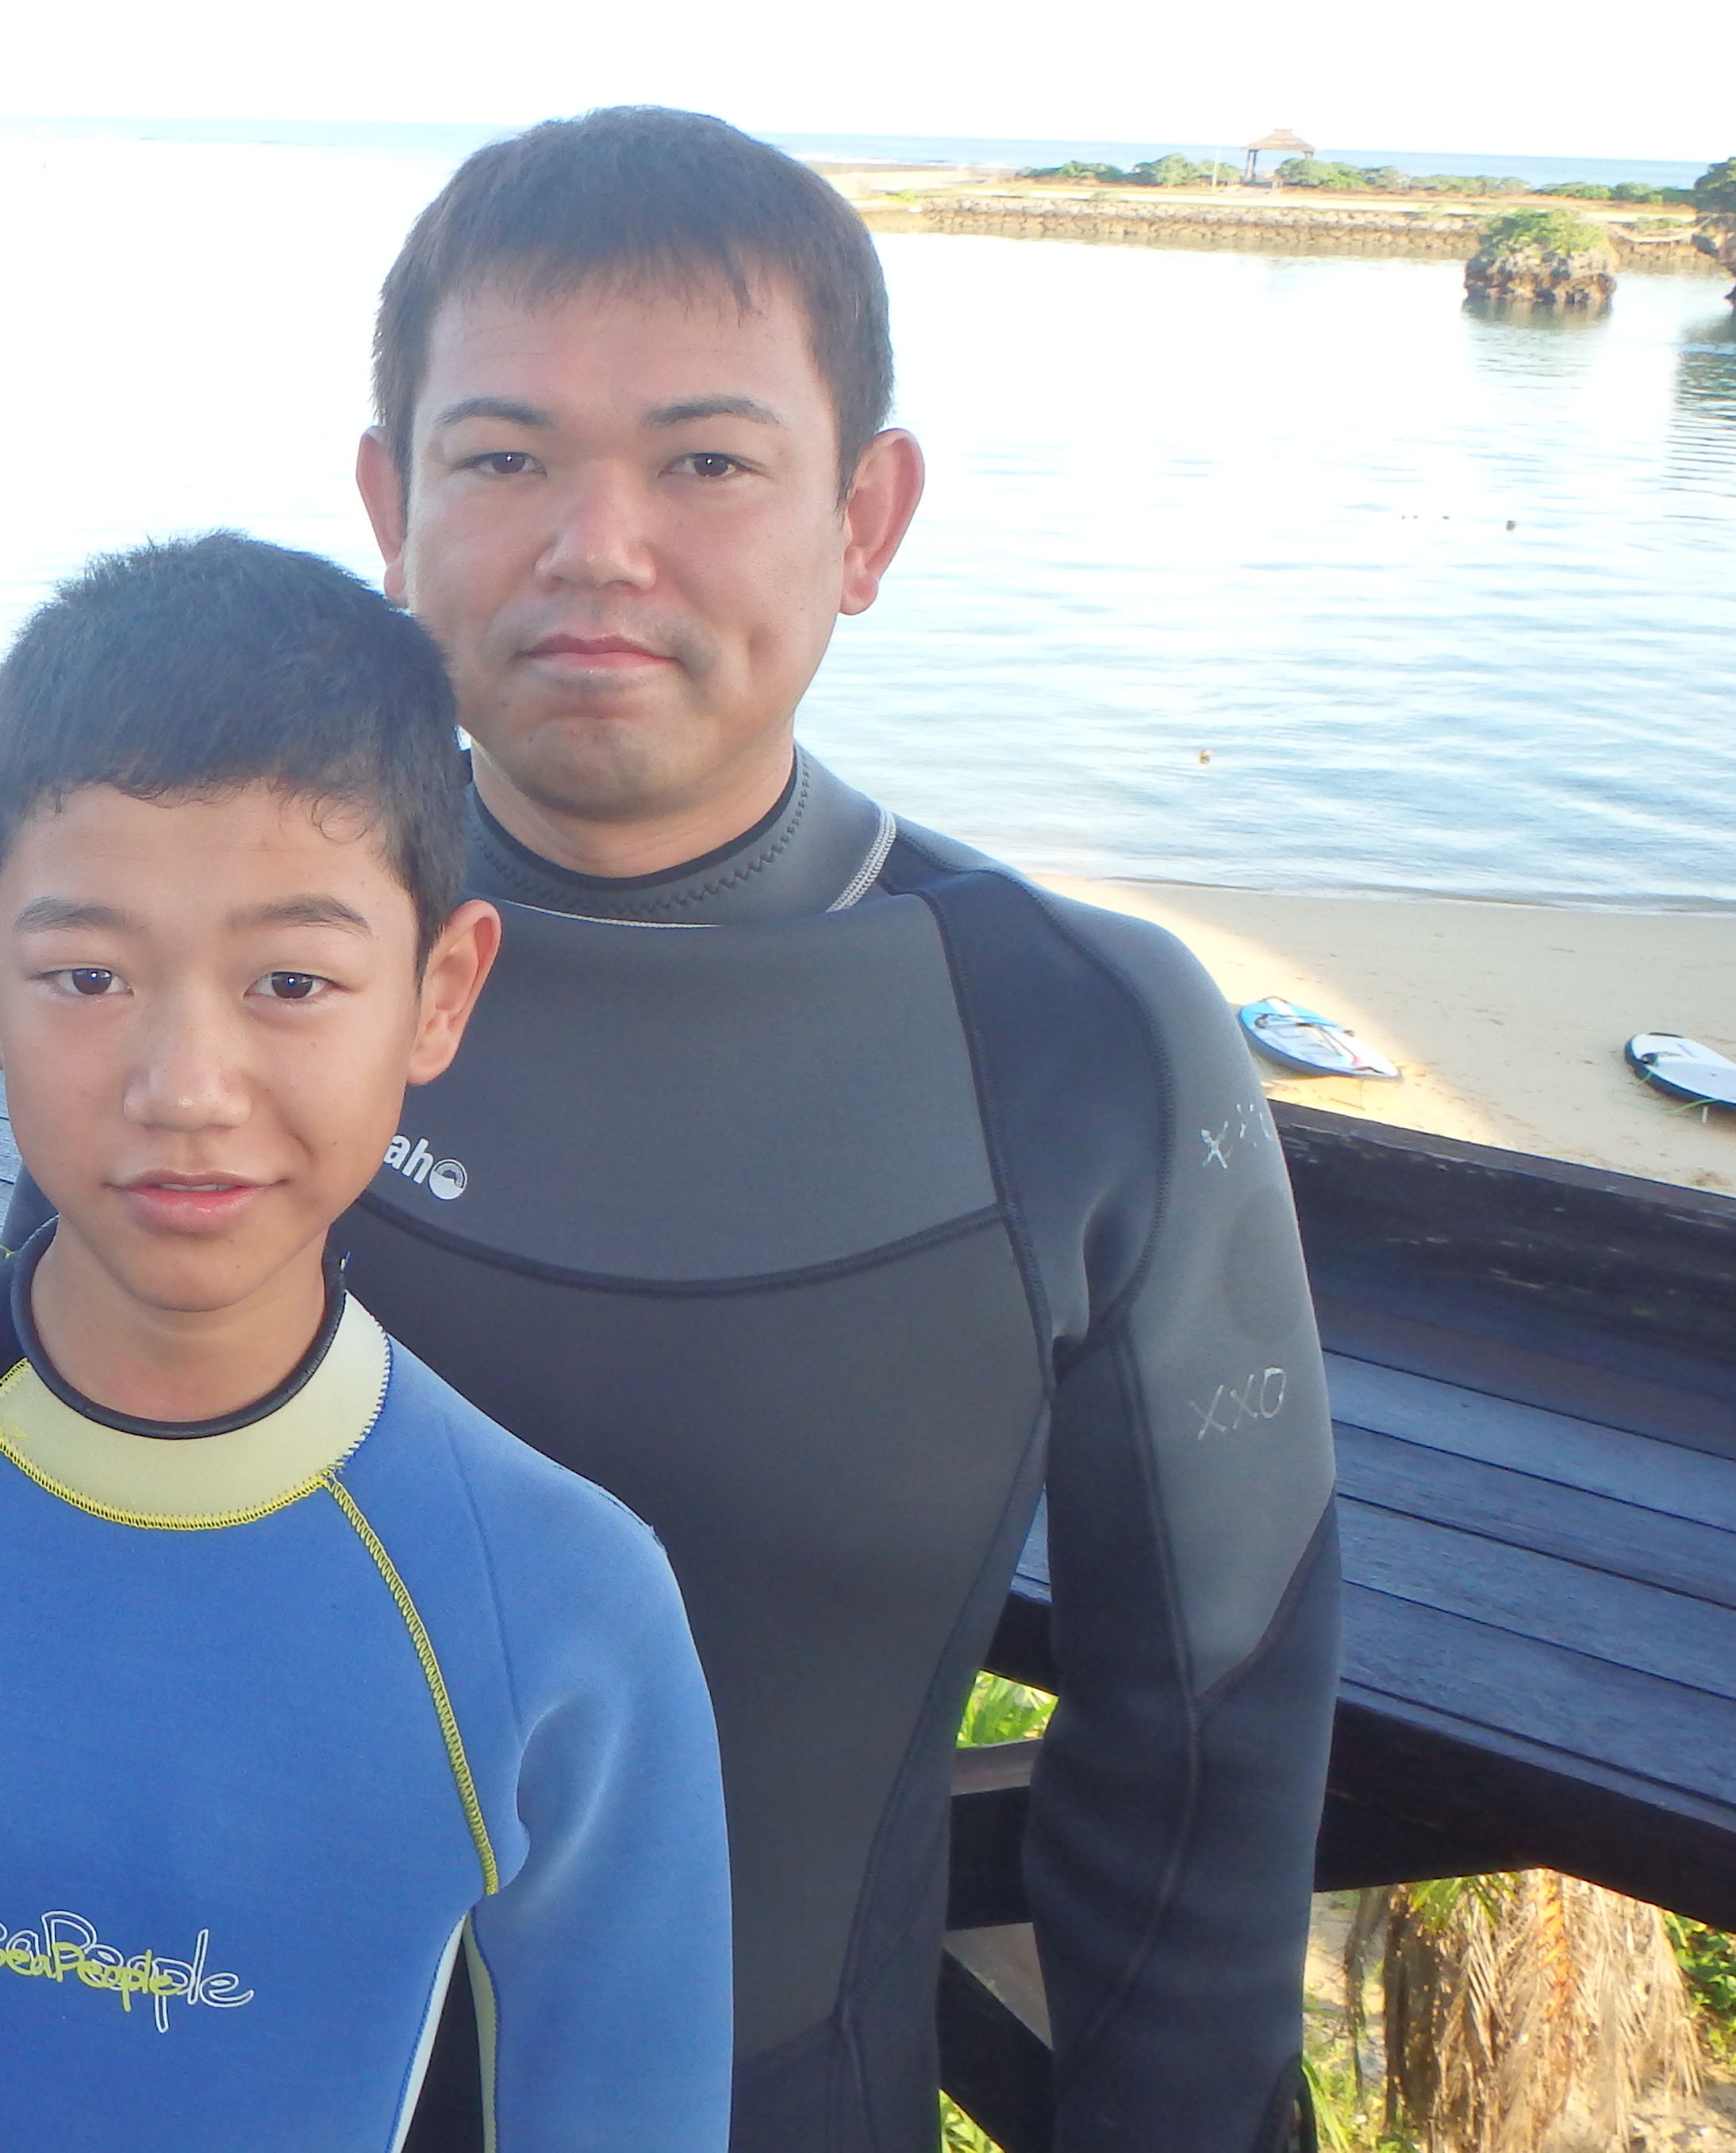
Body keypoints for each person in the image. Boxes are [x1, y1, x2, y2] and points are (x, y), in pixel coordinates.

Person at [335, 108, 1338, 2153]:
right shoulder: (232, 971)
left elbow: (1209, 1755)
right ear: (391, 507)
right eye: (503, 458)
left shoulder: (1073, 1044)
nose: (595, 544)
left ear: (865, 520)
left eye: (705, 463)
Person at [0, 533, 732, 2153]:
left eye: (292, 979)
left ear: (441, 991)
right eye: (89, 974)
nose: (186, 1086)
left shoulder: (566, 1607)